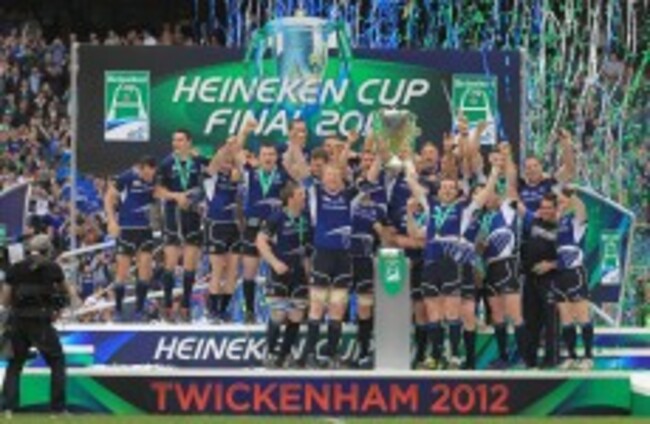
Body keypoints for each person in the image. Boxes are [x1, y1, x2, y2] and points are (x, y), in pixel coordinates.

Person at [406, 161, 497, 369]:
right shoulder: (430, 205)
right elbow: (413, 186)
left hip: (452, 264)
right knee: (432, 311)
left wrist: (494, 173)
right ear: (438, 191)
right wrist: (408, 165)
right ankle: (436, 356)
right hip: (430, 262)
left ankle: (455, 355)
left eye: (451, 188)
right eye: (444, 187)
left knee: (451, 311)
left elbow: (484, 196)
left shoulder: (464, 209)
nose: (447, 190)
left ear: (457, 192)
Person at [302, 145, 381, 369]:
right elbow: (297, 166)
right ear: (322, 177)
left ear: (342, 178)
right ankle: (310, 354)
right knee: (317, 306)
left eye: (336, 176)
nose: (332, 179)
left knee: (337, 307)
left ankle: (331, 354)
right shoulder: (315, 193)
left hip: (343, 258)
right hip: (322, 255)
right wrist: (296, 144)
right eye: (329, 175)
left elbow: (370, 178)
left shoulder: (349, 196)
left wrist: (380, 156)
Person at [0, 234, 80, 415]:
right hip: (41, 321)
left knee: (15, 365)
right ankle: (57, 409)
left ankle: (8, 408)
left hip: (18, 321)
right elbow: (67, 292)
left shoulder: (15, 268)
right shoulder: (53, 268)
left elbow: (5, 299)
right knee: (57, 361)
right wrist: (61, 306)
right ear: (47, 250)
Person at [156, 129, 209, 322]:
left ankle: (186, 306)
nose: (176, 143)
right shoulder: (166, 163)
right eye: (174, 140)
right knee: (170, 262)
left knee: (190, 264)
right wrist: (175, 196)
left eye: (180, 140)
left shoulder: (199, 162)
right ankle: (168, 306)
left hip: (193, 215)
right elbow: (157, 190)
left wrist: (197, 198)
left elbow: (212, 179)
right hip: (173, 214)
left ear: (189, 142)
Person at [256, 182, 311, 368]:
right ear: (291, 198)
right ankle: (269, 352)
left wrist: (308, 273)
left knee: (296, 315)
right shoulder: (276, 217)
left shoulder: (306, 218)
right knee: (279, 314)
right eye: (301, 194)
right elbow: (260, 241)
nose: (304, 198)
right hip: (280, 272)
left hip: (299, 273)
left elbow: (307, 250)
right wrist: (274, 263)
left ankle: (283, 355)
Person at [104, 156, 157, 321]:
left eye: (153, 173)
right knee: (122, 271)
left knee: (145, 270)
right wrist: (112, 221)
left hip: (145, 229)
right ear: (142, 168)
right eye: (148, 172)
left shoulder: (154, 180)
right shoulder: (127, 177)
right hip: (126, 229)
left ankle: (140, 310)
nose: (150, 176)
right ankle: (118, 310)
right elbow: (109, 197)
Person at [202, 139, 243, 323]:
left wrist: (236, 150)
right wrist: (227, 147)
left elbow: (241, 164)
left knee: (232, 271)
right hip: (215, 226)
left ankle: (224, 310)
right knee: (218, 269)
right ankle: (212, 311)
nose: (227, 163)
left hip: (233, 226)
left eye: (230, 160)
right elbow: (215, 162)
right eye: (224, 160)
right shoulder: (211, 178)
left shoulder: (237, 176)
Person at [553, 188, 593, 370]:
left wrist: (571, 193)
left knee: (582, 315)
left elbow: (582, 209)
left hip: (575, 273)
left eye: (562, 200)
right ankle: (571, 356)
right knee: (566, 318)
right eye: (558, 201)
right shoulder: (556, 222)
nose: (560, 203)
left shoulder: (575, 221)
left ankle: (588, 357)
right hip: (559, 274)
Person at [519, 193, 560, 368]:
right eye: (542, 208)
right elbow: (516, 202)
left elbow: (573, 255)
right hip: (530, 279)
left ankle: (551, 359)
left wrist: (551, 265)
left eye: (549, 208)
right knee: (530, 320)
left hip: (550, 279)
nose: (545, 211)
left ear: (556, 209)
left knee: (551, 321)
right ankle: (530, 360)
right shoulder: (533, 222)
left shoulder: (563, 229)